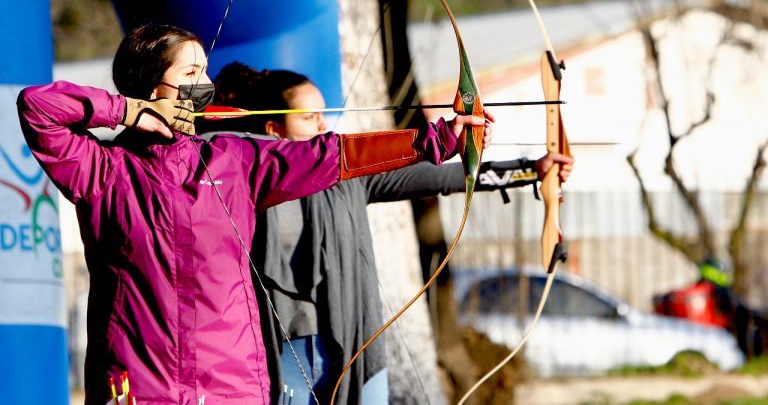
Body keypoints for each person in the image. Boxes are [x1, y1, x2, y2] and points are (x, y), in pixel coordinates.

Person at [16, 24, 493, 405]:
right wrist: (127, 111)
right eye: (190, 73)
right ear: (149, 84)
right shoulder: (101, 169)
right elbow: (38, 108)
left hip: (232, 387)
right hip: (139, 390)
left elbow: (332, 154)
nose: (204, 85)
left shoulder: (233, 159)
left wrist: (436, 140)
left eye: (205, 71)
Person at [198, 62, 574, 404]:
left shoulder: (348, 176)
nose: (323, 127)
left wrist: (530, 170)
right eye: (310, 118)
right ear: (272, 129)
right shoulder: (244, 178)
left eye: (323, 116)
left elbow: (442, 177)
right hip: (281, 352)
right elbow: (211, 147)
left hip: (354, 349)